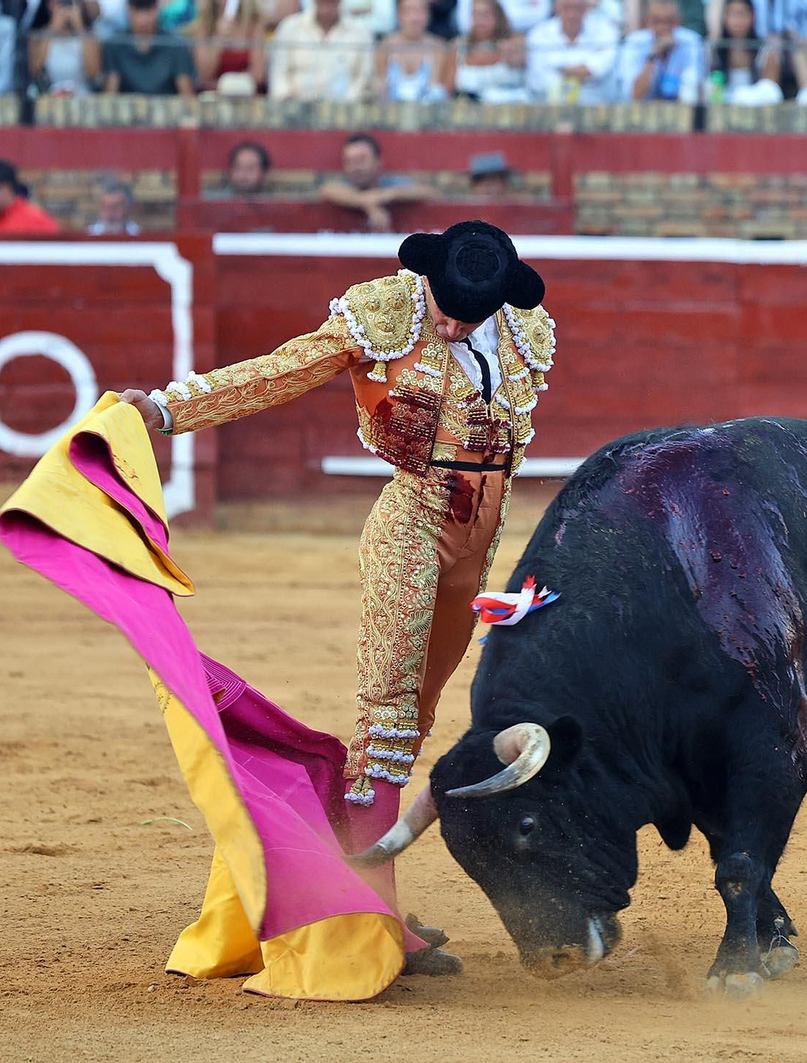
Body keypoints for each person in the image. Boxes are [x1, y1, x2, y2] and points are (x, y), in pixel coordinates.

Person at [116, 222, 557, 979]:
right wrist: (166, 409)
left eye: (467, 317)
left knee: (414, 718)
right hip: (412, 524)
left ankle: (361, 894)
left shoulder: (525, 331)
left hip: (476, 545)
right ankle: (376, 923)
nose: (453, 325)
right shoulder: (383, 313)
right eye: (447, 310)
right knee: (386, 716)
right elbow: (280, 371)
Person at [319, 132, 435, 233]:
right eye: (349, 161)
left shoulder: (391, 183)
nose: (354, 167)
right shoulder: (345, 184)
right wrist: (367, 203)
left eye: (361, 160)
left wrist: (388, 195)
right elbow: (327, 189)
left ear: (378, 161)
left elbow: (430, 193)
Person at [267, 0, 375, 100]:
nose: (326, 8)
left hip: (346, 112)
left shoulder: (361, 32)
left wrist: (344, 105)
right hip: (295, 112)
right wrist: (289, 101)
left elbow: (364, 79)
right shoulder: (289, 28)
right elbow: (278, 76)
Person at [525, 0, 621, 102]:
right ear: (557, 8)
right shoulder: (539, 33)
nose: (572, 15)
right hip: (549, 107)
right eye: (567, 8)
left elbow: (598, 70)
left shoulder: (605, 31)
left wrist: (558, 69)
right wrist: (581, 72)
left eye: (578, 8)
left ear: (586, 8)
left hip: (598, 108)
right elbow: (538, 80)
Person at [103, 0, 196, 95]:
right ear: (128, 10)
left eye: (148, 10)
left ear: (157, 9)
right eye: (138, 10)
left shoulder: (176, 45)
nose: (143, 19)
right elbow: (111, 94)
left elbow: (186, 95)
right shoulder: (115, 44)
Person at [620, 0, 706, 99]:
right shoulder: (634, 42)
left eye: (669, 21)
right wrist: (652, 57)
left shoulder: (691, 42)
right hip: (643, 111)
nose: (663, 27)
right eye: (657, 21)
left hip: (681, 110)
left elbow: (693, 92)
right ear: (647, 22)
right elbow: (634, 95)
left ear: (679, 21)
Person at [376, 0, 455, 100]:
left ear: (428, 14)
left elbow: (442, 93)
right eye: (408, 11)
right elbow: (380, 90)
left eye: (419, 11)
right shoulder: (385, 47)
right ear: (399, 14)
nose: (414, 18)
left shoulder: (439, 48)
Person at [454, 0, 530, 100]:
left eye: (485, 14)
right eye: (475, 14)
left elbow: (523, 65)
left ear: (498, 16)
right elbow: (447, 91)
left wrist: (509, 53)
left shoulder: (515, 43)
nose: (480, 20)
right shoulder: (459, 47)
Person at [185, 0, 267, 93]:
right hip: (213, 96)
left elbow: (258, 74)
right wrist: (218, 39)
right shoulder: (204, 25)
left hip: (246, 95)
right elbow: (204, 75)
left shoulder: (254, 23)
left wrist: (232, 85)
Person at [28, 0, 100, 94]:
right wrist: (52, 29)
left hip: (80, 95)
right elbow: (35, 70)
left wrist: (80, 27)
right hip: (49, 94)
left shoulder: (89, 36)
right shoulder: (38, 35)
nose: (64, 6)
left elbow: (93, 73)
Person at [204, 140, 270, 200]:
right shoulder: (210, 201)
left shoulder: (271, 204)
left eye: (250, 169)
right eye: (238, 168)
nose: (243, 175)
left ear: (263, 174)